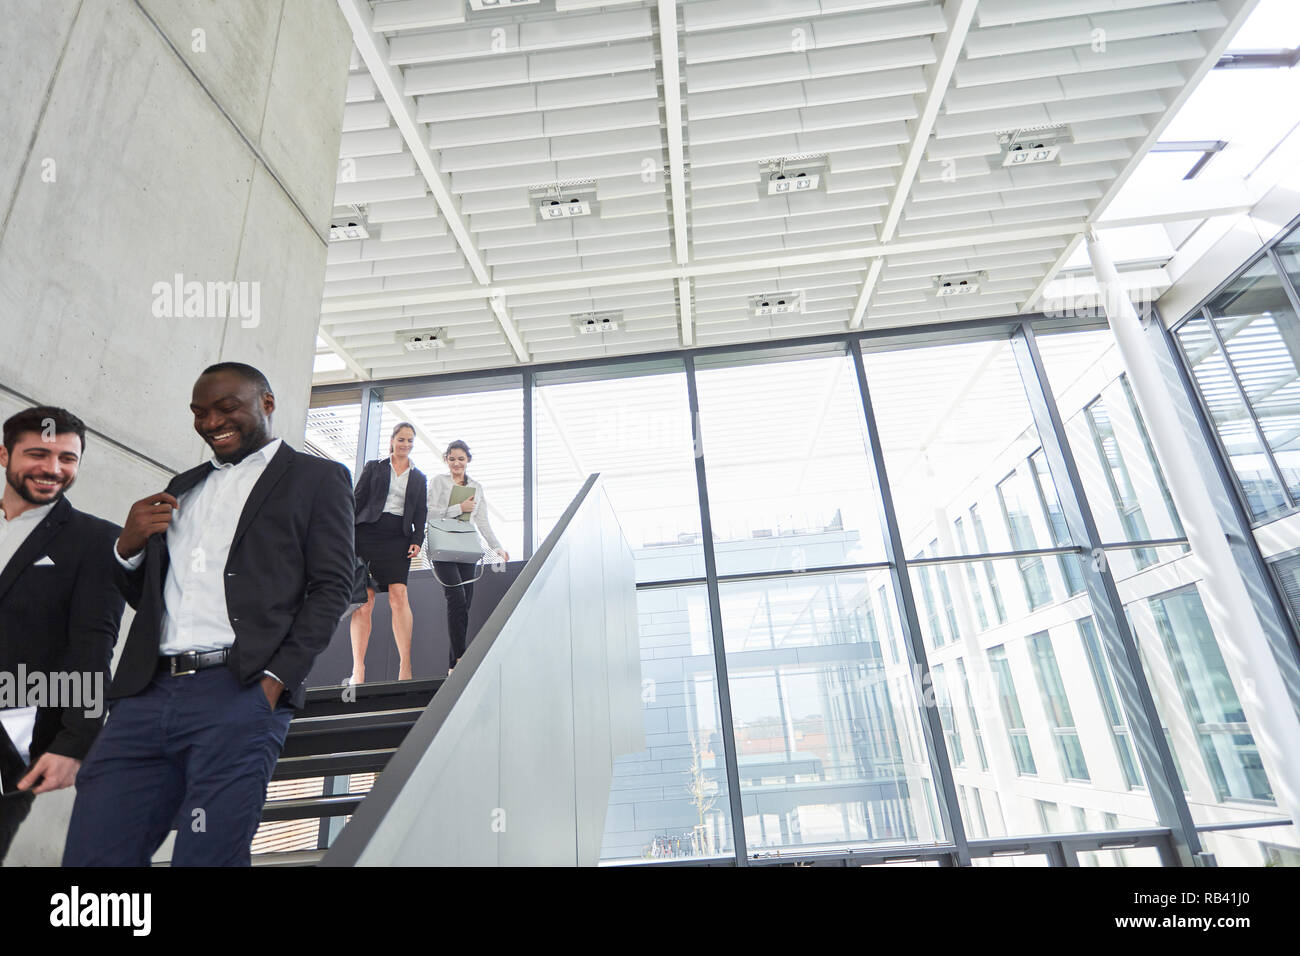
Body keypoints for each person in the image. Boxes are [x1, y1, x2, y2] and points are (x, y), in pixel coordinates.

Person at [61, 362, 355, 867]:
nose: (210, 421)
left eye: (226, 407)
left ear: (266, 403)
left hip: (239, 692)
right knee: (94, 856)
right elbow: (153, 599)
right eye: (199, 412)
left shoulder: (317, 478)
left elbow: (333, 587)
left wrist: (276, 680)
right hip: (145, 696)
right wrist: (126, 548)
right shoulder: (185, 485)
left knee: (207, 857)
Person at [0, 407, 124, 864]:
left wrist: (76, 743)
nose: (53, 469)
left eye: (67, 458)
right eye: (38, 454)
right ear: (3, 455)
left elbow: (92, 649)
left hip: (14, 730)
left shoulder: (96, 543)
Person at [347, 422, 427, 683]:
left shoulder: (418, 477)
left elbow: (420, 514)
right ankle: (358, 668)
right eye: (401, 439)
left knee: (398, 596)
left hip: (398, 537)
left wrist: (417, 539)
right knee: (364, 602)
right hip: (367, 534)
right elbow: (356, 500)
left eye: (410, 441)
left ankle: (405, 666)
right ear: (392, 440)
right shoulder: (374, 467)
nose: (406, 445)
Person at [428, 440, 508, 675]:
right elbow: (430, 513)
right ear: (446, 459)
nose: (456, 463)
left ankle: (455, 662)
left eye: (461, 459)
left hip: (466, 547)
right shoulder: (438, 482)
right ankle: (458, 661)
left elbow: (482, 520)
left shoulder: (476, 487)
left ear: (468, 460)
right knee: (456, 598)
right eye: (452, 458)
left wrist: (497, 547)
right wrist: (458, 507)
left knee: (465, 604)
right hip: (443, 546)